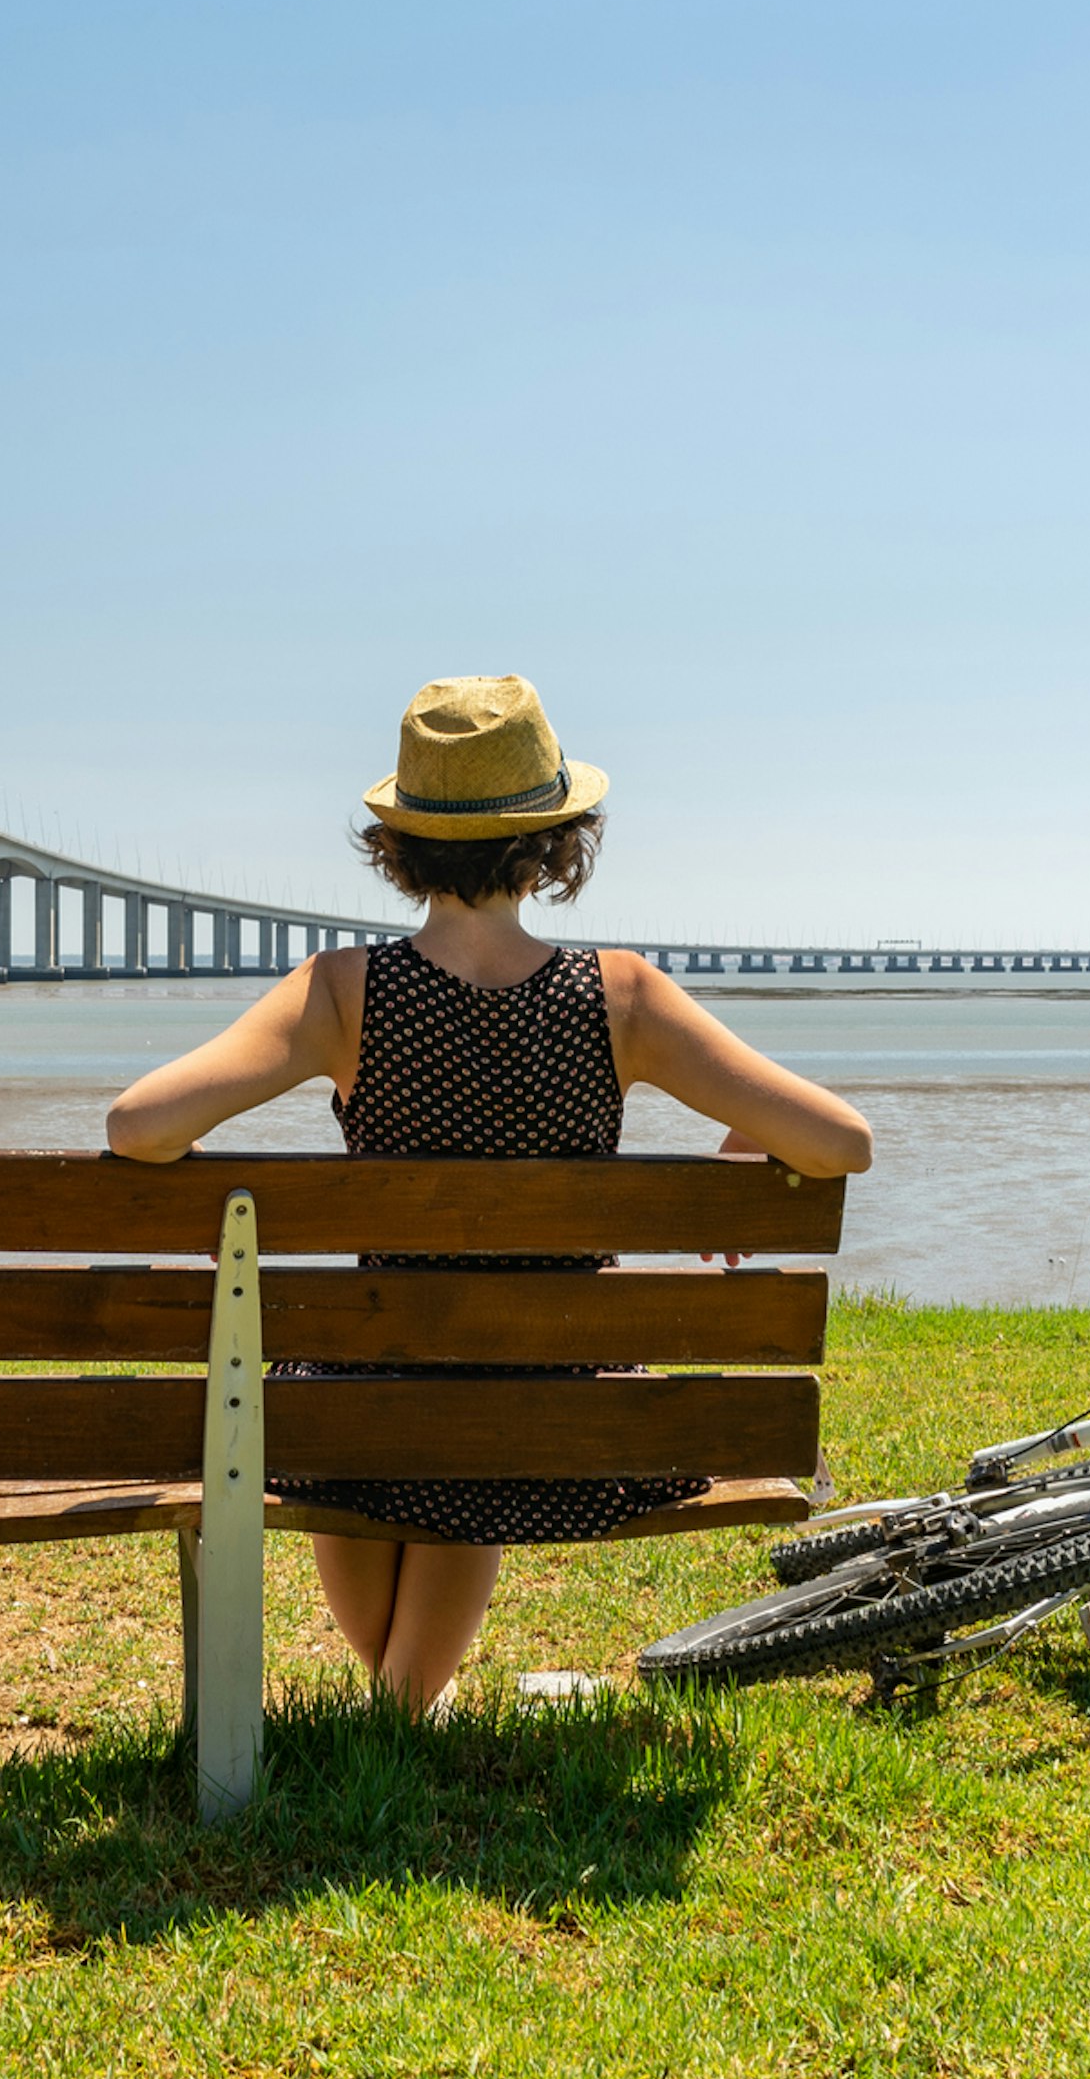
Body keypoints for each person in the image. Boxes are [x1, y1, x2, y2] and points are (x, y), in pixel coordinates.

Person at [104, 675, 872, 1711]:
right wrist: (742, 1135)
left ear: (405, 838)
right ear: (555, 836)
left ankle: (398, 1709)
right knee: (477, 1407)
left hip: (357, 1398)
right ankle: (400, 1710)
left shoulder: (340, 993)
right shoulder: (624, 996)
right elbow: (841, 1140)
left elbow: (138, 1126)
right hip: (559, 1407)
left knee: (356, 1400)